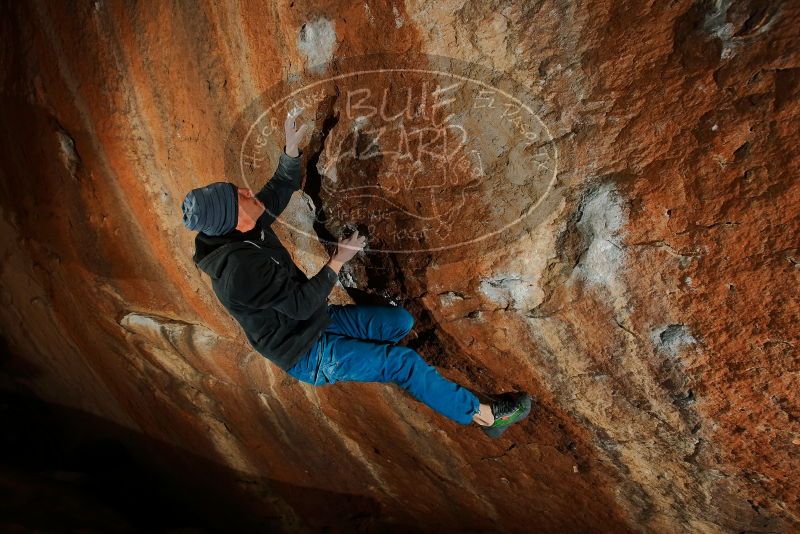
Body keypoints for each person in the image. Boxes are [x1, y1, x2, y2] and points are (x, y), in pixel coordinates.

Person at [181, 107, 531, 438]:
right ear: (235, 220)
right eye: (239, 196)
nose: (247, 191)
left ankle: (393, 369)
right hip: (306, 351)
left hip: (317, 318)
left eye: (237, 189)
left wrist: (290, 150)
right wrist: (338, 260)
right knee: (403, 363)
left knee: (400, 324)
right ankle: (488, 417)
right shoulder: (239, 272)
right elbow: (300, 305)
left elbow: (277, 189)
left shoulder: (241, 225)